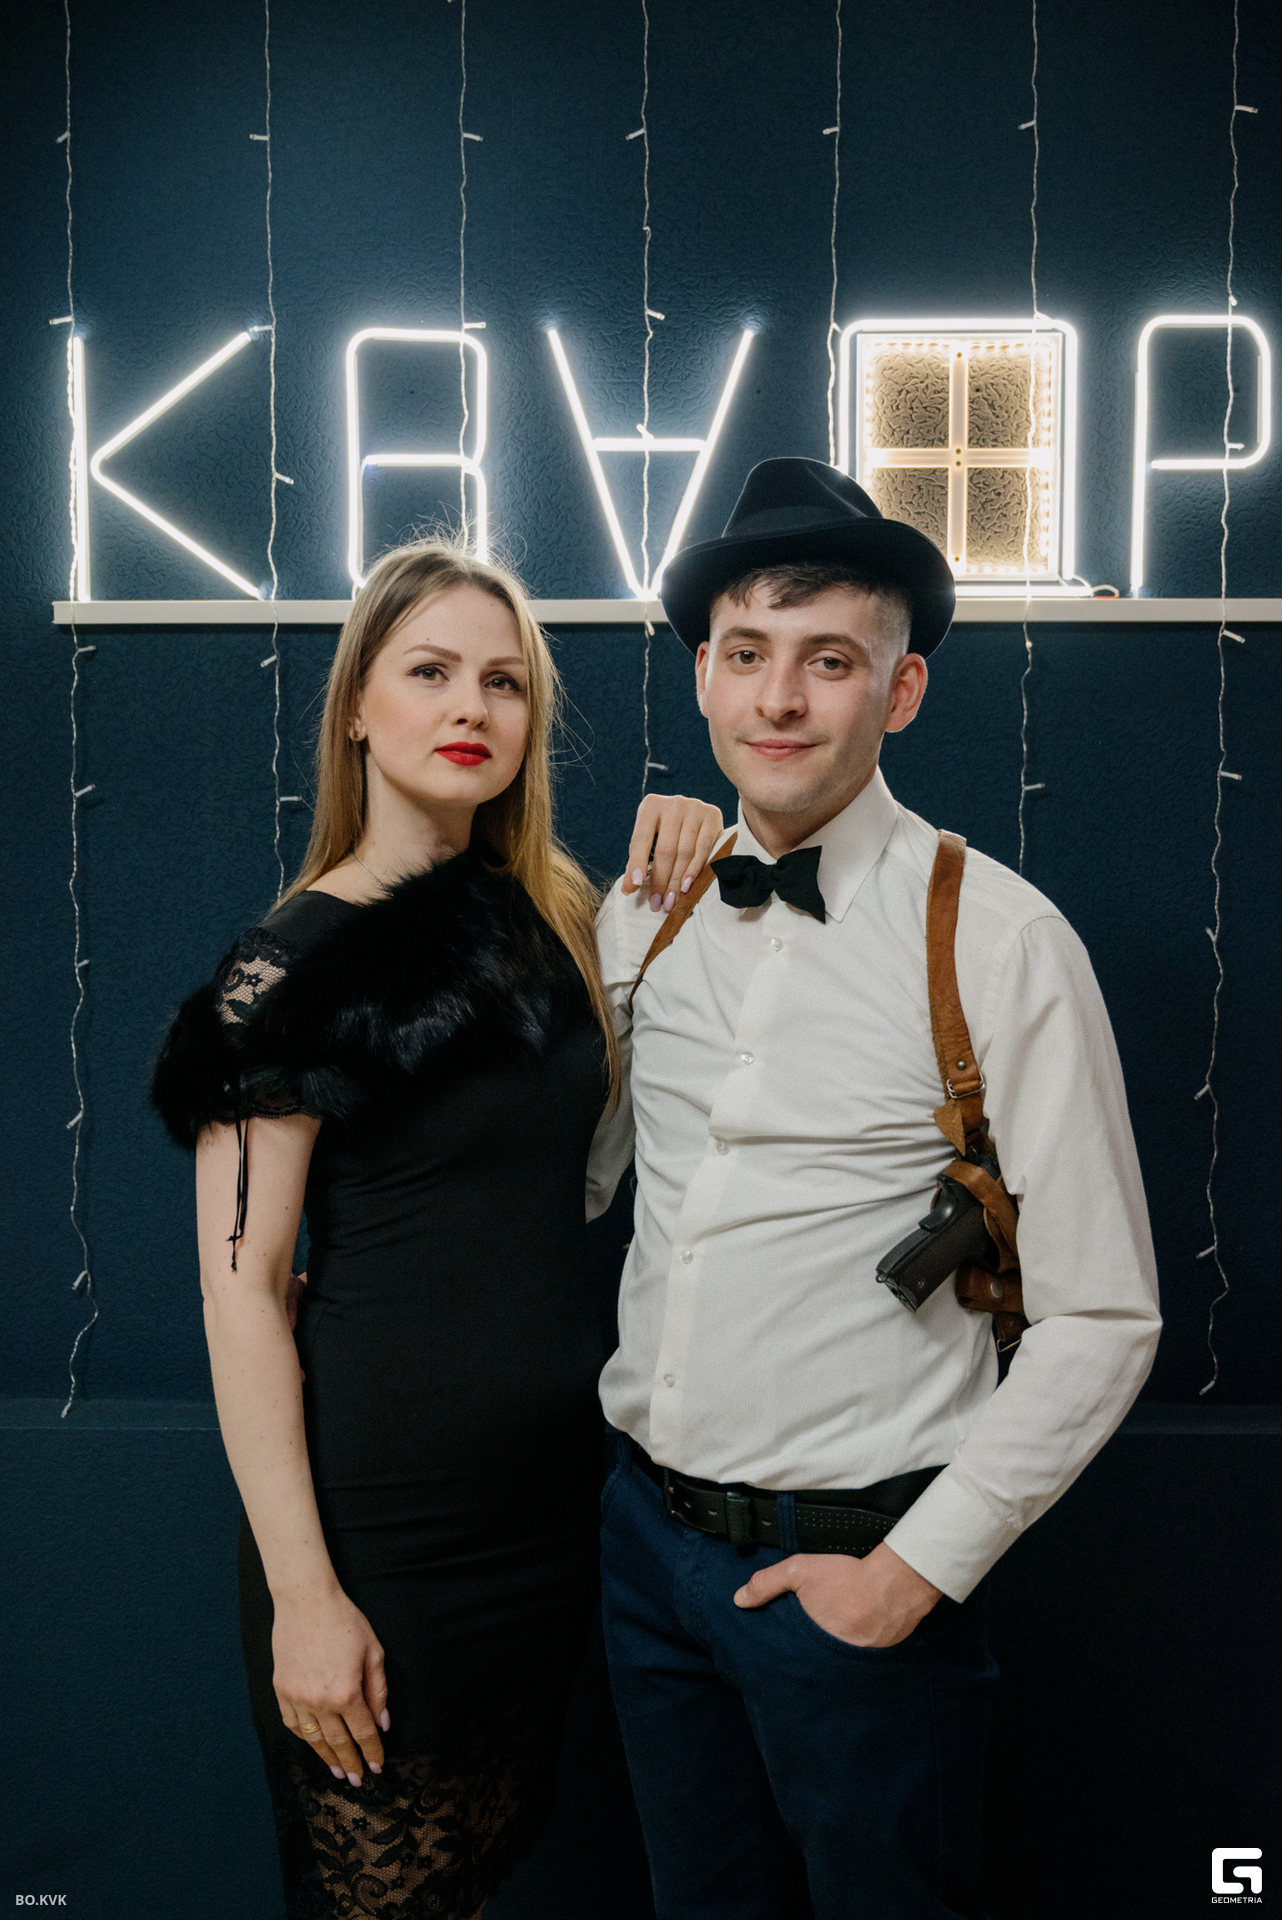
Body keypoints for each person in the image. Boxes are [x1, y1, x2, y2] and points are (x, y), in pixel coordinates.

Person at [586, 458, 1162, 1920]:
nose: (779, 699)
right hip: (645, 1552)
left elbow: (1103, 1314)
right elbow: (584, 1180)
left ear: (899, 691)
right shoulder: (641, 916)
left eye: (828, 660)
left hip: (855, 1572)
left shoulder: (1001, 939)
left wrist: (910, 1575)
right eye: (745, 654)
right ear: (703, 680)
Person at [151, 538, 722, 1920]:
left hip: (548, 1515)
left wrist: (693, 837)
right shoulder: (274, 975)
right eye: (429, 673)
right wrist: (306, 1597)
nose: (471, 706)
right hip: (380, 1533)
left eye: (503, 682)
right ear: (357, 706)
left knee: (484, 1871)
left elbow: (609, 1148)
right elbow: (243, 1295)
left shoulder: (555, 922)